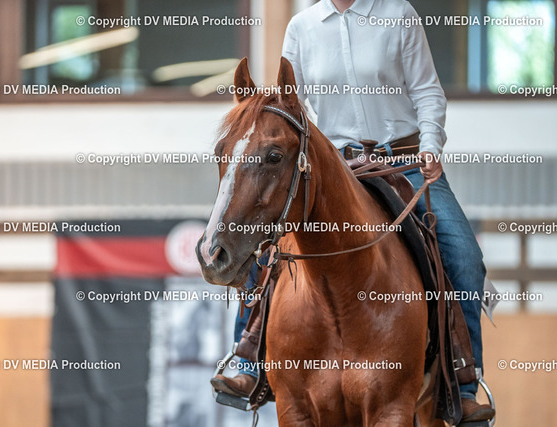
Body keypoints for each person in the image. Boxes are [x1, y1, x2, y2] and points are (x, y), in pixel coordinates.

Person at [212, 0, 495, 423]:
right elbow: (292, 105)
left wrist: (431, 146)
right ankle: (248, 360)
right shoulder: (302, 26)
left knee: (465, 257)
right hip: (333, 166)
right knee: (264, 244)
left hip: (403, 162)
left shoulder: (399, 15)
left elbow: (427, 91)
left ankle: (464, 382)